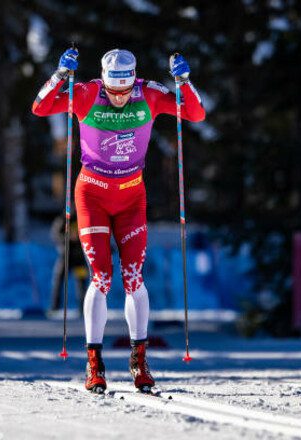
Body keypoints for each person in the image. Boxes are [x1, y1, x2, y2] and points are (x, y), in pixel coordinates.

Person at [32, 47, 205, 393]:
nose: (120, 98)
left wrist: (184, 82)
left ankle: (139, 362)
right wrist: (60, 76)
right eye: (113, 91)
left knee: (133, 277)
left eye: (125, 91)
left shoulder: (151, 94)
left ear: (134, 82)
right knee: (101, 276)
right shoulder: (85, 94)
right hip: (92, 195)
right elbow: (40, 107)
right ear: (105, 81)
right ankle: (94, 364)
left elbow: (195, 114)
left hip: (131, 196)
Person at [48, 212, 87, 315]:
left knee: (82, 283)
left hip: (79, 257)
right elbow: (55, 235)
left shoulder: (83, 217)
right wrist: (68, 237)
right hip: (66, 257)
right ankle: (55, 307)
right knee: (59, 281)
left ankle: (83, 309)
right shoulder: (63, 218)